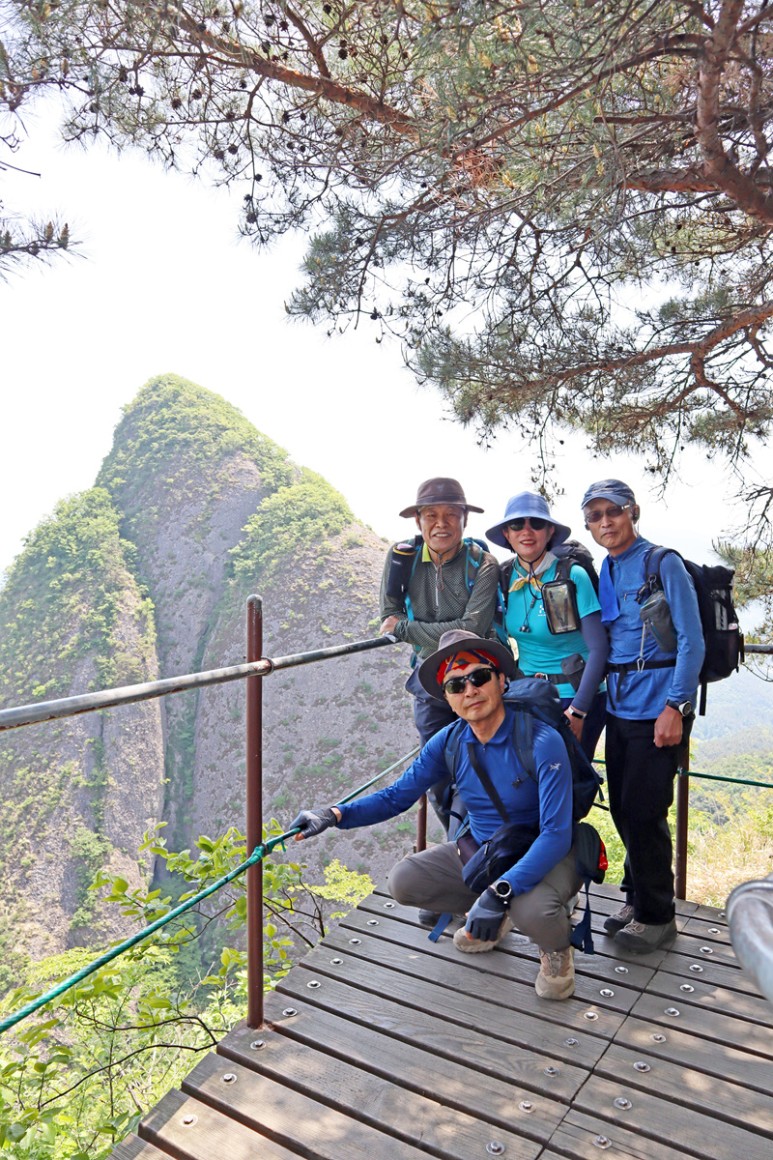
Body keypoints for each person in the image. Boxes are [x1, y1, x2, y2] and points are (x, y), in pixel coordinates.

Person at [290, 629, 581, 1000]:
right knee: (404, 881)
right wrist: (333, 814)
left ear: (501, 680)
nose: (469, 690)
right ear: (448, 698)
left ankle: (556, 949)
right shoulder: (450, 741)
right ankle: (501, 912)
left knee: (534, 909)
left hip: (548, 852)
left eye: (479, 677)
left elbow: (556, 834)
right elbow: (397, 797)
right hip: (488, 851)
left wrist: (497, 893)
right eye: (456, 685)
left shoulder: (540, 740)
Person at [582, 479, 705, 953]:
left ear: (632, 511)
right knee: (622, 807)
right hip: (619, 706)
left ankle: (658, 917)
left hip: (660, 707)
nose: (605, 522)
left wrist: (676, 706)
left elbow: (691, 640)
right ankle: (637, 899)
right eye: (595, 516)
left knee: (645, 810)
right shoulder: (608, 567)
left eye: (613, 511)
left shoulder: (662, 562)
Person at [378, 478, 500, 830]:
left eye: (451, 515)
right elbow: (388, 612)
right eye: (431, 515)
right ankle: (459, 848)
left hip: (476, 678)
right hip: (429, 682)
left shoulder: (482, 564)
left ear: (465, 520)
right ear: (418, 521)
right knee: (436, 774)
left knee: (487, 766)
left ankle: (490, 847)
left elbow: (472, 629)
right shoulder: (402, 559)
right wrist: (417, 627)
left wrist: (406, 630)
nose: (441, 524)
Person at [487, 491, 608, 762]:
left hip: (575, 697)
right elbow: (496, 637)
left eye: (537, 523)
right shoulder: (504, 579)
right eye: (517, 524)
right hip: (527, 697)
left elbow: (599, 648)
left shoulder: (572, 575)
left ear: (550, 531)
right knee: (529, 778)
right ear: (507, 533)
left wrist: (578, 711)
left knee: (571, 779)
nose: (526, 531)